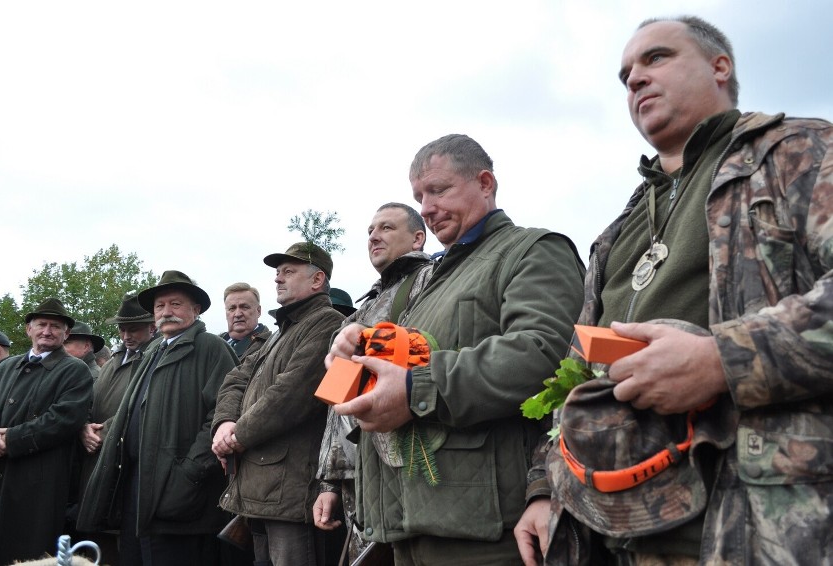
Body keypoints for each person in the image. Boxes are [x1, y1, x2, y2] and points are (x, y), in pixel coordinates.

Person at [515, 16, 833, 565]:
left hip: (748, 526)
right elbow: (577, 367)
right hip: (607, 532)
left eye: (656, 58)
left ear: (719, 67)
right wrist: (546, 488)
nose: (635, 78)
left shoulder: (799, 151)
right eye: (625, 75)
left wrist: (722, 360)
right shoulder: (619, 227)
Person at [329, 135, 585, 565]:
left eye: (438, 190)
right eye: (418, 196)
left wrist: (415, 390)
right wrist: (345, 365)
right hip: (406, 525)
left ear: (485, 183)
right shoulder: (429, 281)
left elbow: (542, 354)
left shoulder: (533, 251)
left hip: (484, 532)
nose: (426, 208)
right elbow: (378, 385)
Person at [78, 271, 237, 566]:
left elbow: (223, 414)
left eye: (176, 304)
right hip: (138, 490)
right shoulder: (153, 351)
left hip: (181, 495)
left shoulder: (211, 348)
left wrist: (188, 473)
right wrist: (101, 431)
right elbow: (134, 408)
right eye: (160, 306)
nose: (167, 312)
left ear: (196, 309)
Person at [313, 202, 433, 563]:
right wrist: (331, 482)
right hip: (358, 475)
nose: (374, 236)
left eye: (386, 228)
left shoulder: (429, 282)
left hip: (404, 469)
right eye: (369, 230)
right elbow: (338, 403)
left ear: (417, 238)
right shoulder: (366, 305)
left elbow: (423, 366)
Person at [211, 242, 344, 566]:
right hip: (262, 489)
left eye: (288, 271)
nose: (278, 279)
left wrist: (235, 437)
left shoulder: (327, 323)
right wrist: (225, 423)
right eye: (277, 273)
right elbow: (235, 380)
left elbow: (289, 397)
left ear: (317, 280)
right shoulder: (279, 333)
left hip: (291, 491)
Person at [0, 298, 93, 566]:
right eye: (41, 324)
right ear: (28, 329)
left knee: (28, 552)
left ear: (66, 334)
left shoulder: (75, 371)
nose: (47, 331)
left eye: (56, 326)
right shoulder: (7, 367)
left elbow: (64, 419)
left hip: (38, 483)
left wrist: (11, 440)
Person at [76, 293, 157, 562]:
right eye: (122, 329)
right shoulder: (112, 362)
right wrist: (84, 427)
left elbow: (141, 408)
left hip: (126, 463)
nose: (126, 335)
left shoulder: (154, 360)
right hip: (95, 458)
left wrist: (104, 432)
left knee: (124, 545)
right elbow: (91, 403)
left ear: (151, 326)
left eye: (133, 328)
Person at [221, 282, 270, 362]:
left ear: (258, 311)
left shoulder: (269, 345)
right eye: (232, 308)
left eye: (244, 307)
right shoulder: (214, 343)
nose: (237, 314)